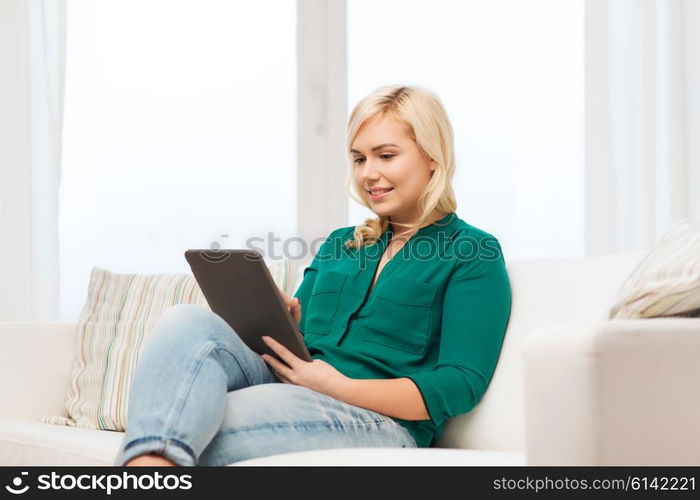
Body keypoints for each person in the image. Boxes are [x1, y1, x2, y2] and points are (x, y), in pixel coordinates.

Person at [114, 84, 512, 466]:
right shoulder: (342, 244)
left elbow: (460, 385)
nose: (368, 173)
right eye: (359, 159)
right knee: (185, 321)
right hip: (290, 385)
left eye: (385, 156)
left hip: (376, 420)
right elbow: (302, 347)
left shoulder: (472, 252)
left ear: (432, 156)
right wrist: (289, 323)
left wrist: (338, 387)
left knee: (194, 419)